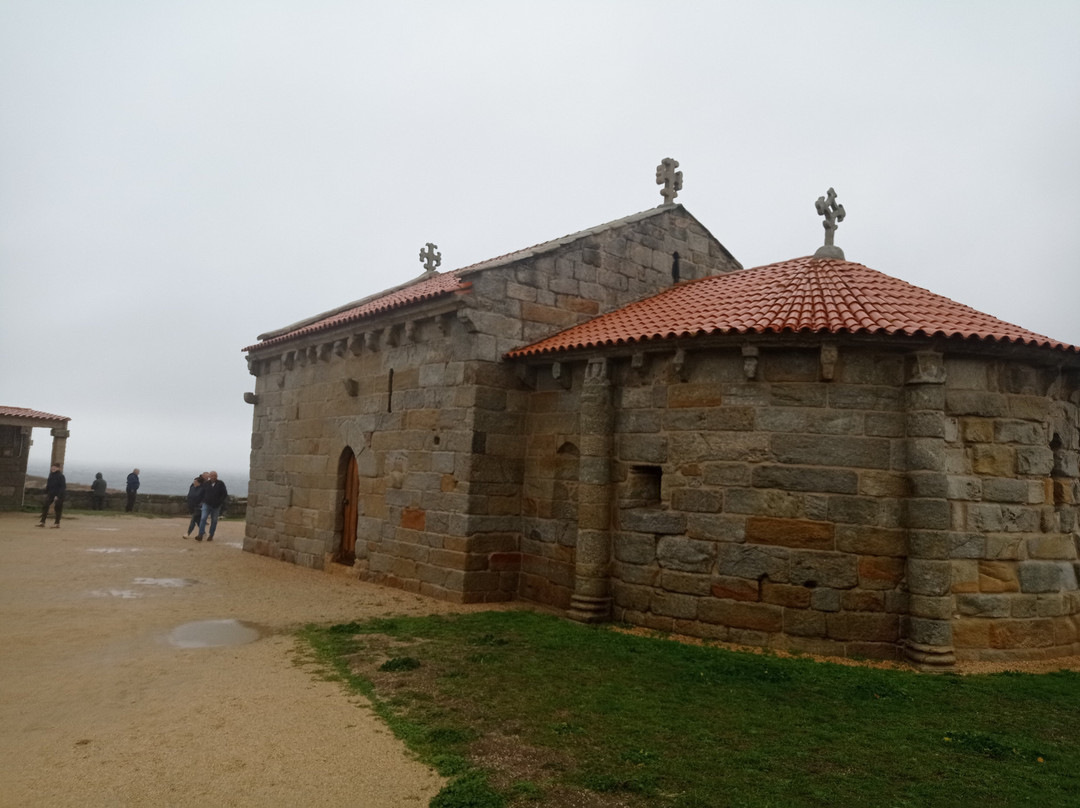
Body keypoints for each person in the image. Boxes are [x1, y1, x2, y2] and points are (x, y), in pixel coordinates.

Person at [196, 471, 228, 542]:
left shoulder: (221, 484)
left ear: (217, 476)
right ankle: (200, 535)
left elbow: (224, 494)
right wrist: (203, 500)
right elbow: (202, 493)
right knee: (203, 518)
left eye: (215, 476)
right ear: (209, 476)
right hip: (206, 504)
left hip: (216, 506)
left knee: (214, 521)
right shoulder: (206, 484)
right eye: (212, 476)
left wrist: (219, 502)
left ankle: (211, 535)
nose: (214, 477)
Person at [37, 463, 66, 528]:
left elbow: (63, 487)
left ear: (58, 468)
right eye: (52, 467)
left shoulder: (61, 476)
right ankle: (42, 522)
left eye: (55, 467)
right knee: (45, 505)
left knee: (58, 508)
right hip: (51, 494)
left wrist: (58, 496)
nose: (53, 468)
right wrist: (46, 491)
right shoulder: (51, 475)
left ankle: (57, 523)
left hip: (59, 494)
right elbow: (49, 484)